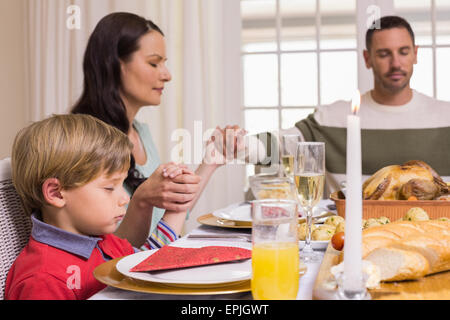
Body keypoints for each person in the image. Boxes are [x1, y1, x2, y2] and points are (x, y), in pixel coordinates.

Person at [71, 12, 245, 250]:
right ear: (113, 64)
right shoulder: (82, 141)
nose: (167, 74)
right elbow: (103, 254)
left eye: (164, 63)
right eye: (154, 63)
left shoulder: (140, 132)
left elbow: (163, 222)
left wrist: (211, 161)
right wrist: (141, 200)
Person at [252, 15, 450, 196]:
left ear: (415, 54)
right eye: (383, 54)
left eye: (404, 52)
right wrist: (237, 146)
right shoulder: (331, 118)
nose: (396, 63)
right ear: (367, 59)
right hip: (348, 234)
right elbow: (281, 145)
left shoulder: (446, 116)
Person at [5, 114, 146, 299]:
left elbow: (148, 267)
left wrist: (176, 209)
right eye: (109, 188)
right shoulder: (43, 279)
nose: (125, 198)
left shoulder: (104, 241)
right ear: (56, 193)